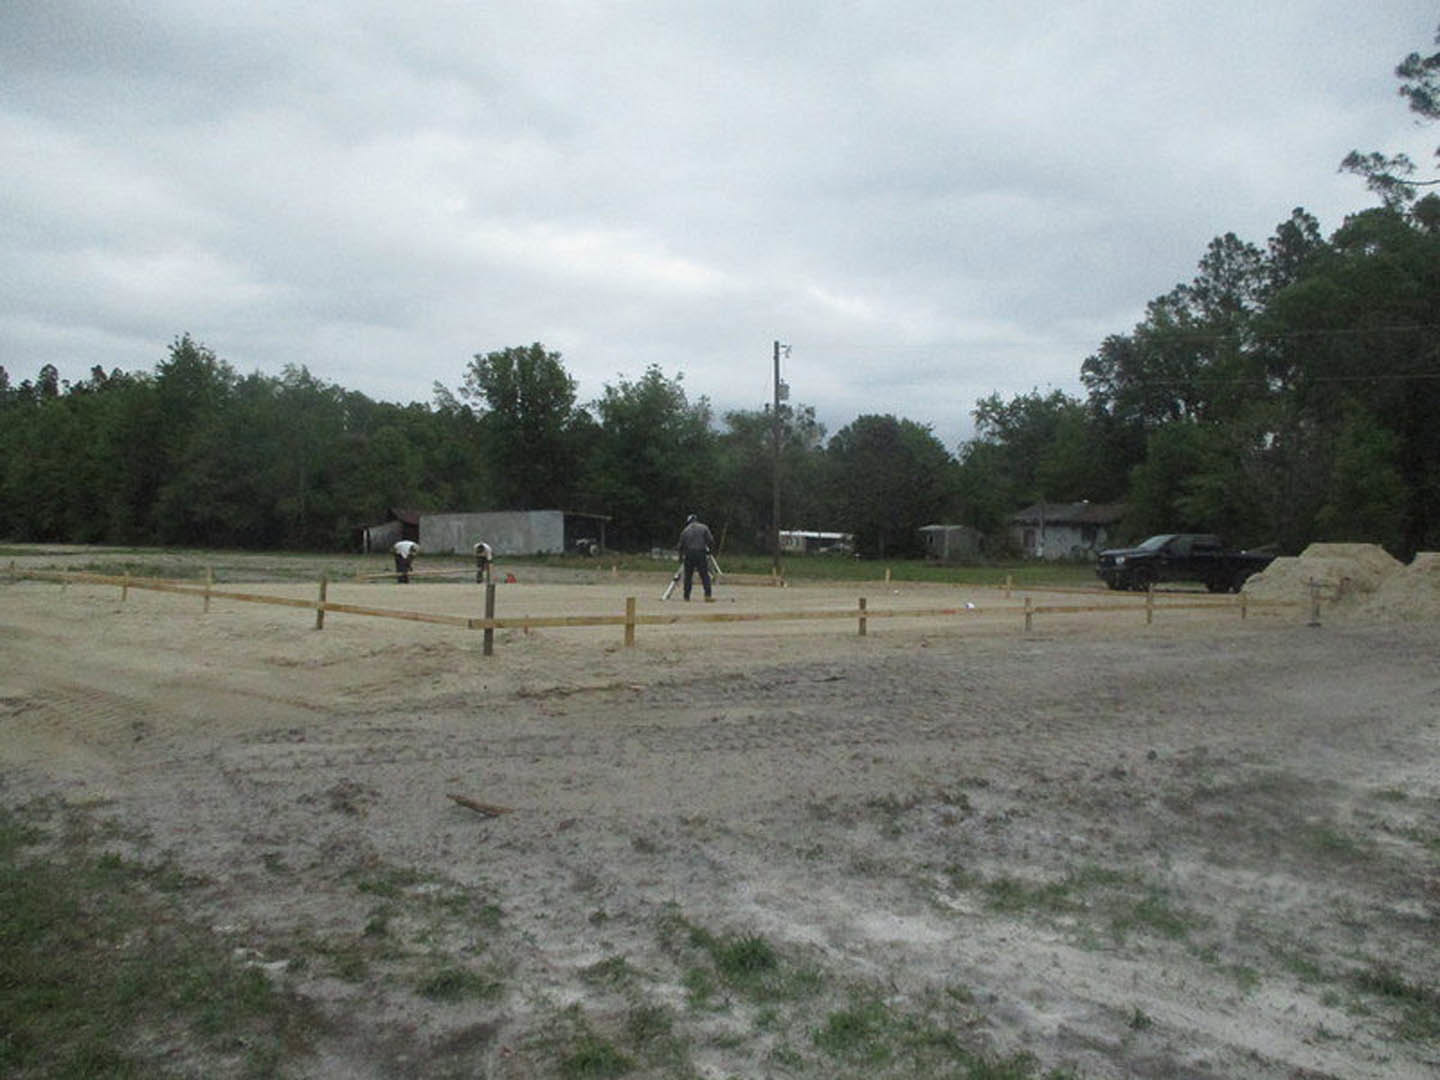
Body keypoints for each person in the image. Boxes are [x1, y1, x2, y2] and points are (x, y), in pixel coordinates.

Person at [676, 513, 716, 601]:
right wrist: (710, 551)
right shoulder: (704, 528)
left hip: (689, 554)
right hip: (700, 553)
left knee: (688, 576)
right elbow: (711, 540)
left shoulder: (685, 530)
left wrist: (680, 557)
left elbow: (680, 546)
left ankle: (686, 596)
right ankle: (707, 595)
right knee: (704, 575)